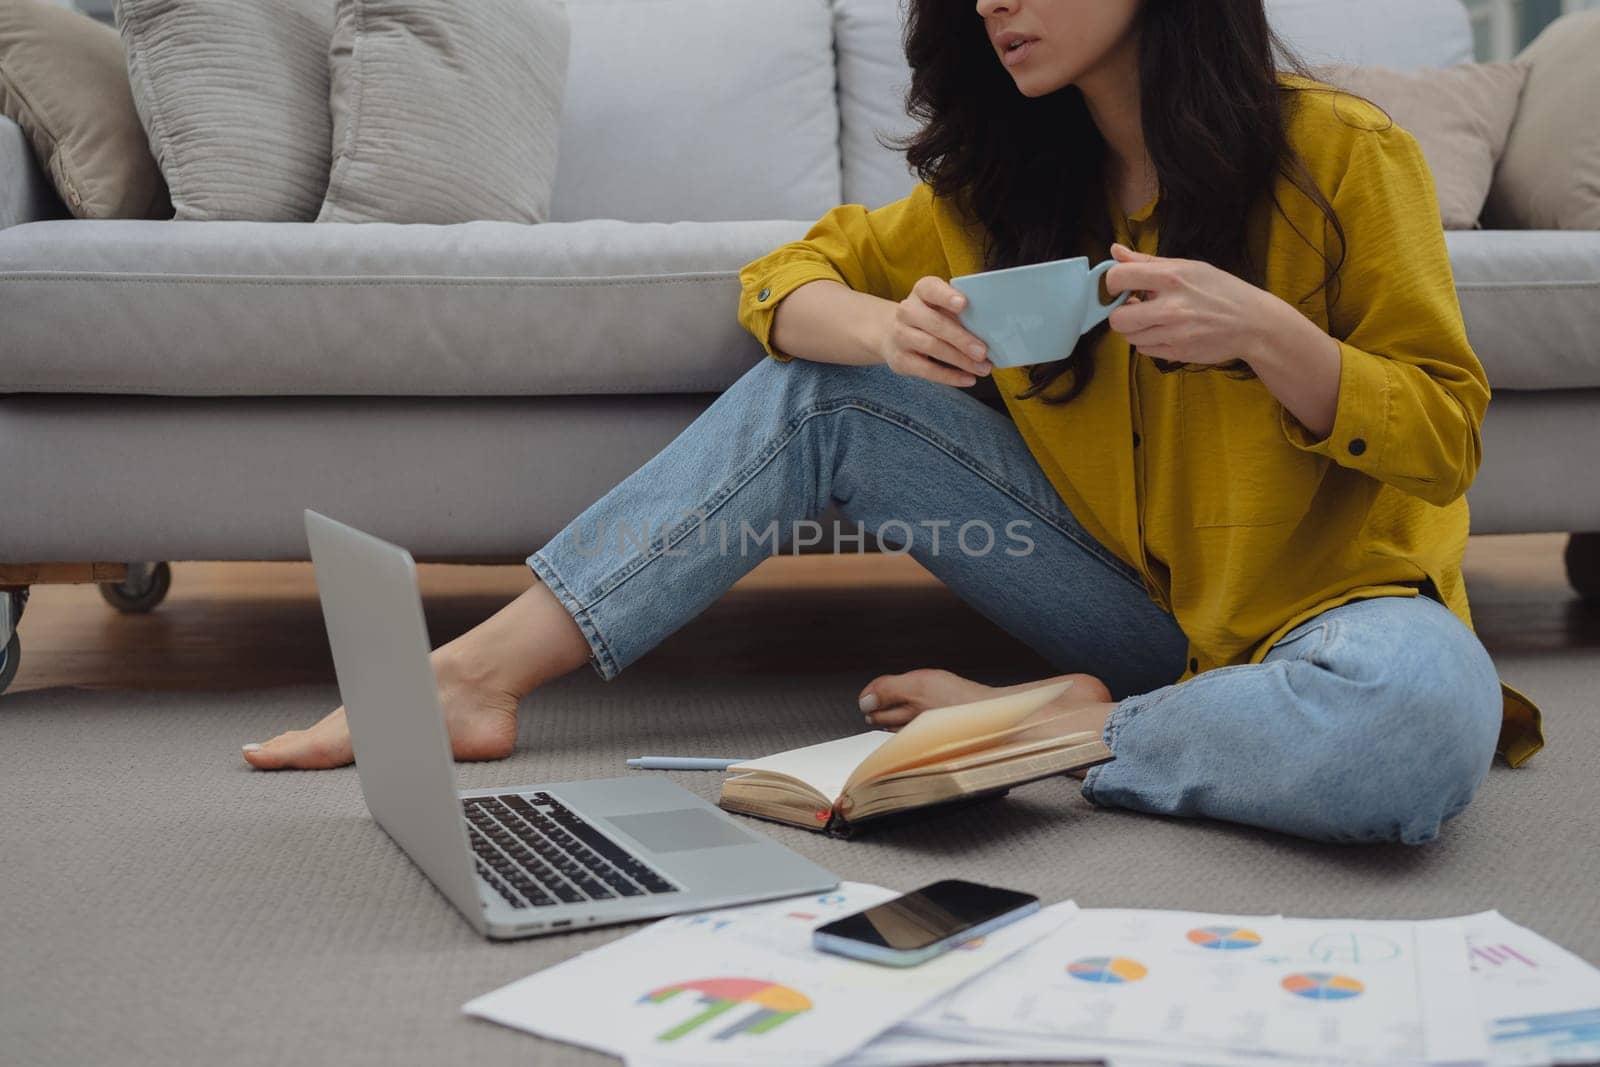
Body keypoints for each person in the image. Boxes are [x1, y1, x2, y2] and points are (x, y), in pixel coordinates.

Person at [243, 0, 1544, 844]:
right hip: (1124, 606)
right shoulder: (1011, 186)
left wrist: (1277, 337)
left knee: (1428, 725)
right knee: (828, 382)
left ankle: (1055, 726)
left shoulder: (1344, 157)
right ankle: (474, 677)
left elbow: (1443, 433)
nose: (993, 2)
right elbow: (786, 279)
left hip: (1331, 610)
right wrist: (877, 330)